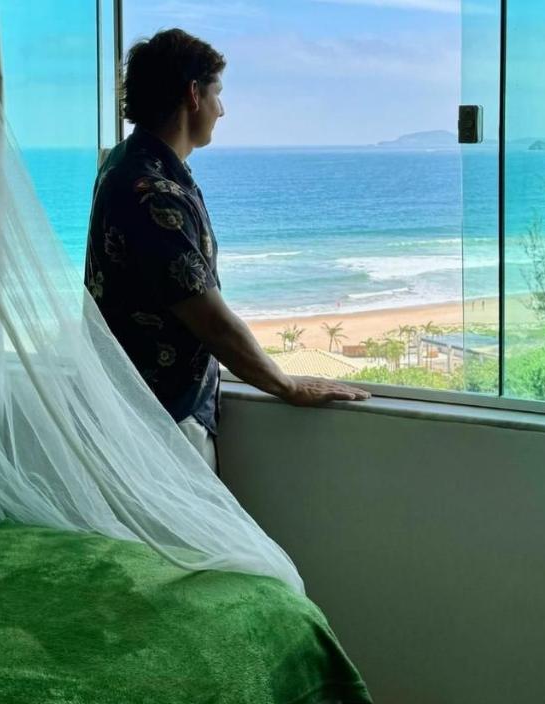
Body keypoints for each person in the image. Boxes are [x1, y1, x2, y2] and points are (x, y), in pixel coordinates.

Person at [83, 29, 368, 469]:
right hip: (164, 420)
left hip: (130, 406)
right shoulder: (154, 192)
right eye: (217, 93)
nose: (222, 109)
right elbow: (212, 322)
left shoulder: (124, 162)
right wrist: (287, 385)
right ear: (193, 94)